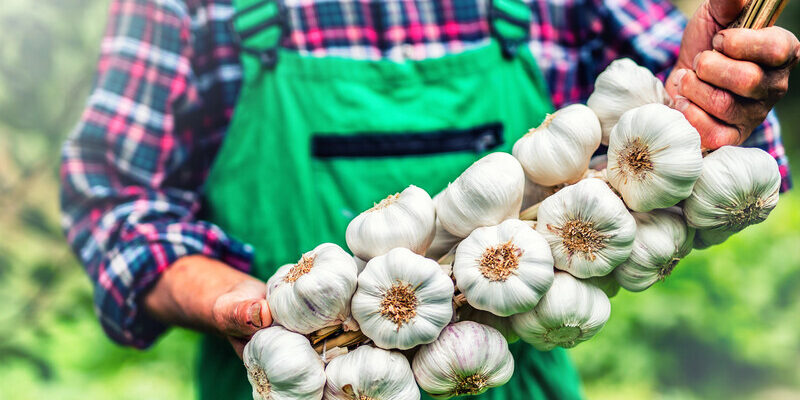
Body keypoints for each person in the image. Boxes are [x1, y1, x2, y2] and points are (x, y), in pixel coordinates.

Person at [60, 0, 799, 398]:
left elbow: (714, 167)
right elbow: (113, 204)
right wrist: (232, 305)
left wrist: (705, 105)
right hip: (301, 377)